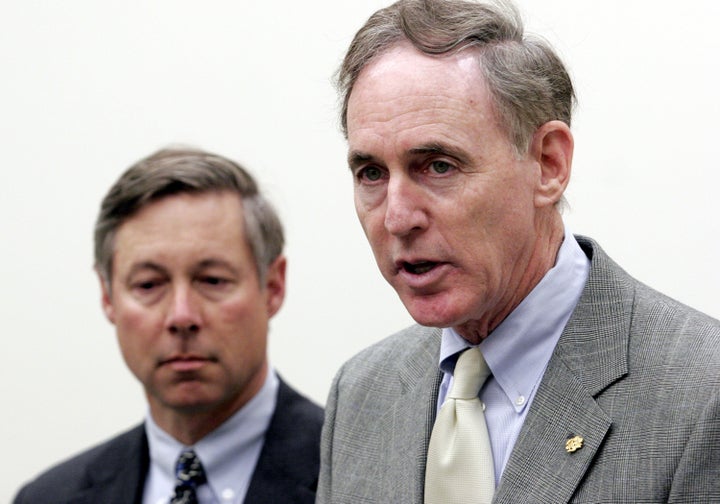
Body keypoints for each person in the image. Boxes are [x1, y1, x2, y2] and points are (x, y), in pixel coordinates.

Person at [317, 0, 720, 502]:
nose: (397, 218)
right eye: (371, 173)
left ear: (548, 165)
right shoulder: (360, 393)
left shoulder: (703, 393)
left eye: (438, 166)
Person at [14, 148, 323, 504]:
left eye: (212, 280)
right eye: (148, 285)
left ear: (273, 287)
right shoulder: (47, 497)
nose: (181, 316)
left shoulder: (364, 476)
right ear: (107, 296)